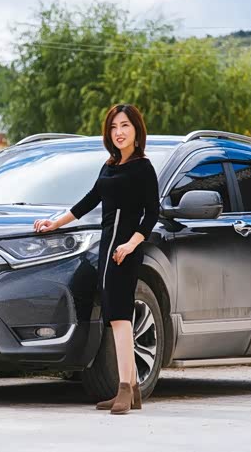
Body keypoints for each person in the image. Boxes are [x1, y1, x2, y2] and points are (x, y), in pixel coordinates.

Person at [32, 104, 160, 414]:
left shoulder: (143, 168)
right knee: (113, 316)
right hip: (107, 249)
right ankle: (133, 391)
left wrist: (131, 244)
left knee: (120, 318)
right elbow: (90, 199)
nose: (119, 132)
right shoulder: (109, 165)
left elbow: (152, 213)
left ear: (137, 130)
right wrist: (55, 223)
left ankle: (125, 389)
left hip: (125, 251)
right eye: (114, 127)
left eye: (125, 125)